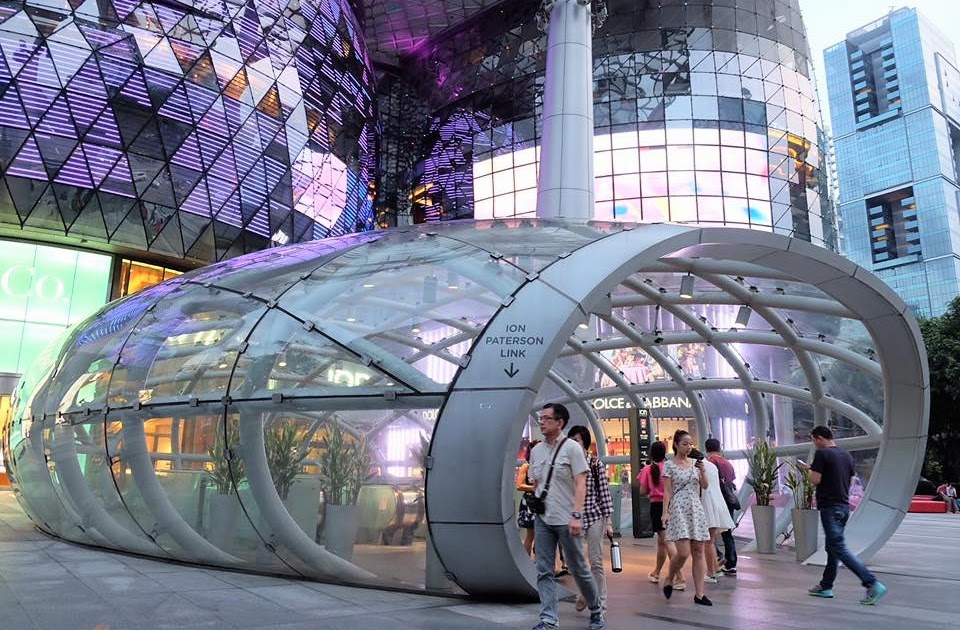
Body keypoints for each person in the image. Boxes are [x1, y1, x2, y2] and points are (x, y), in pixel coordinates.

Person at [528, 403, 606, 630]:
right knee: (544, 569)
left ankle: (596, 610)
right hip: (543, 518)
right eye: (540, 418)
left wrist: (577, 515)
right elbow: (536, 482)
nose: (541, 422)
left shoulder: (572, 448)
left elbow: (581, 483)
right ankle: (549, 619)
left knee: (579, 569)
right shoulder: (536, 451)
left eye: (546, 418)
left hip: (567, 518)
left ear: (559, 422)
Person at [801, 425, 887, 605]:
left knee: (838, 547)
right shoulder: (846, 456)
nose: (814, 444)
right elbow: (847, 481)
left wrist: (808, 471)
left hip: (829, 507)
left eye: (814, 440)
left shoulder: (822, 454)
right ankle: (826, 586)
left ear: (818, 438)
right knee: (832, 548)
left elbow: (815, 480)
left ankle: (872, 583)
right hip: (843, 507)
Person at [661, 430, 712, 606]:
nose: (689, 447)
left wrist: (703, 471)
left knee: (698, 551)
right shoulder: (669, 465)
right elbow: (667, 491)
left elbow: (705, 486)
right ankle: (669, 577)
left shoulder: (695, 464)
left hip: (695, 507)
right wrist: (665, 512)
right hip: (678, 508)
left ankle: (699, 594)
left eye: (690, 444)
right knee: (683, 552)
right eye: (685, 444)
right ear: (676, 444)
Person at [567, 425, 614, 613]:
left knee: (596, 561)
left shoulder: (594, 464)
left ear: (585, 442)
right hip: (574, 517)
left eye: (577, 439)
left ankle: (601, 601)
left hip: (594, 516)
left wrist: (608, 522)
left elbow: (604, 494)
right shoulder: (567, 464)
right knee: (577, 562)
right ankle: (584, 594)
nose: (574, 443)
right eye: (572, 439)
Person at [637, 440, 683, 588]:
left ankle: (679, 577)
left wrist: (652, 489)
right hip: (672, 505)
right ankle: (656, 572)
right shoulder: (671, 467)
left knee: (667, 541)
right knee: (662, 542)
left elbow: (643, 491)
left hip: (657, 507)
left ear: (651, 454)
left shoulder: (647, 470)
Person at [693, 447, 734, 582]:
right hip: (718, 502)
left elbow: (700, 487)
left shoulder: (697, 468)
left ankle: (711, 572)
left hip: (706, 503)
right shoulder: (712, 466)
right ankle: (715, 569)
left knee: (708, 541)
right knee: (711, 540)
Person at [705, 438, 738, 575]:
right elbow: (732, 480)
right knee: (727, 532)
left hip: (717, 498)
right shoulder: (728, 463)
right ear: (719, 448)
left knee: (710, 532)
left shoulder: (710, 463)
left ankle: (717, 557)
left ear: (706, 449)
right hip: (729, 499)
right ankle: (731, 562)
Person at [517, 440, 541, 557]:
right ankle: (527, 562)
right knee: (531, 534)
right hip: (530, 504)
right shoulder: (526, 466)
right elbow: (519, 485)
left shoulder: (543, 465)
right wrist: (534, 488)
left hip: (541, 502)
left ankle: (540, 563)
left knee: (542, 535)